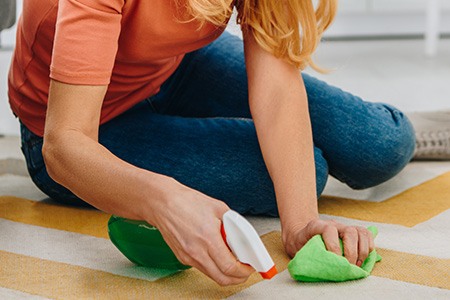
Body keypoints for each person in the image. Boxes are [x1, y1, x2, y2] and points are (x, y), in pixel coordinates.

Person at [8, 0, 416, 286]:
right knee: (307, 170)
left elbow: (275, 91)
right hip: (80, 125)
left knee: (381, 145)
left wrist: (301, 224)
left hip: (175, 63)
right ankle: (187, 131)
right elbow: (65, 145)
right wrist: (162, 198)